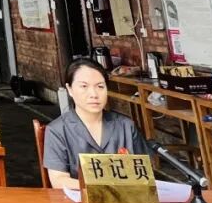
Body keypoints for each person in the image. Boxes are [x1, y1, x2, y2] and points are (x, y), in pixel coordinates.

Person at [44, 58, 148, 189]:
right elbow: (59, 180)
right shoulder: (57, 130)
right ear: (69, 89)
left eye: (100, 86)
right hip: (80, 200)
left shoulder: (126, 126)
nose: (94, 94)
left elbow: (144, 174)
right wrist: (101, 188)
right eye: (84, 86)